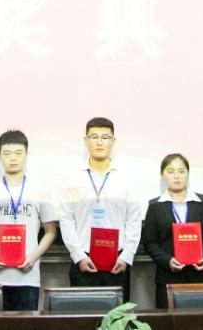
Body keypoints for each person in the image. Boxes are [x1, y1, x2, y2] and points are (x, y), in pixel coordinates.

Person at [0, 130, 58, 311]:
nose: (13, 158)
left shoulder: (40, 190)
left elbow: (50, 231)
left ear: (27, 154)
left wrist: (33, 257)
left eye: (18, 153)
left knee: (26, 324)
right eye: (7, 153)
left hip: (28, 276)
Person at [58, 117, 143, 301]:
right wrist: (78, 256)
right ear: (85, 140)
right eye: (94, 137)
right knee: (84, 315)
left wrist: (127, 256)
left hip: (118, 262)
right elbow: (66, 221)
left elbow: (134, 221)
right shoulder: (72, 178)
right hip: (83, 260)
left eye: (105, 137)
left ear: (113, 141)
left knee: (117, 317)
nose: (99, 142)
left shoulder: (126, 178)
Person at [141, 153, 203, 309]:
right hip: (168, 278)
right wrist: (167, 261)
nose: (176, 176)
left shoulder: (202, 202)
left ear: (188, 174)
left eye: (181, 171)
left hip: (200, 277)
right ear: (162, 176)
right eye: (171, 171)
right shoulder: (155, 206)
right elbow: (150, 243)